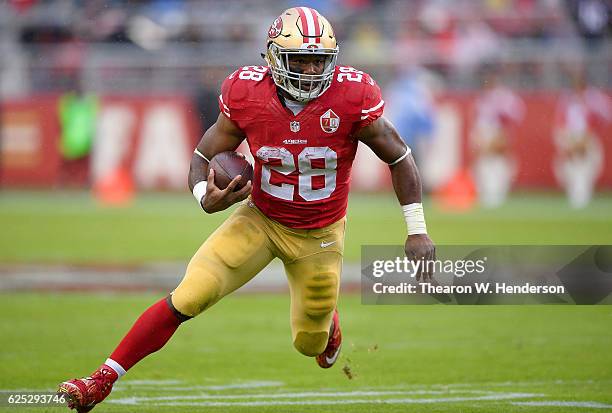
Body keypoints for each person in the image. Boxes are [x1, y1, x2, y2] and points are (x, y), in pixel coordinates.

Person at [57, 7, 435, 412]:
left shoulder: (353, 95)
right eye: (299, 59)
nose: (310, 70)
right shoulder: (245, 92)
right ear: (273, 58)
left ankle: (330, 327)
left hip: (320, 235)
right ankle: (100, 381)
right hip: (260, 219)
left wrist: (417, 229)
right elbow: (203, 154)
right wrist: (204, 195)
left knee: (310, 344)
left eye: (318, 60)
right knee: (189, 295)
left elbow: (399, 156)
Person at [553, 68, 611, 208]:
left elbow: (605, 116)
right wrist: (565, 139)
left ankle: (583, 193)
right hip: (569, 135)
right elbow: (560, 120)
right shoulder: (566, 98)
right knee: (570, 164)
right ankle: (575, 191)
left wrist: (591, 132)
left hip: (587, 135)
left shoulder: (594, 98)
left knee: (587, 164)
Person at [470, 66, 525, 208]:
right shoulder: (482, 99)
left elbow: (514, 116)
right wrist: (477, 139)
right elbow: (477, 121)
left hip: (498, 133)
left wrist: (502, 136)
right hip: (484, 134)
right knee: (483, 166)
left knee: (499, 164)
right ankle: (485, 195)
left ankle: (497, 195)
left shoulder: (505, 97)